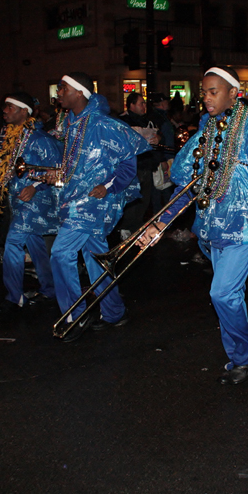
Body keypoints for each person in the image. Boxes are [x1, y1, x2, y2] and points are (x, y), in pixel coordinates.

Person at [138, 67, 248, 385]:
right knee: (230, 294)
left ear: (234, 93)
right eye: (203, 92)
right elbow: (190, 182)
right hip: (214, 223)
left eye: (213, 91)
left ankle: (243, 356)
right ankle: (241, 355)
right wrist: (160, 223)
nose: (205, 98)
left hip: (247, 221)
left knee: (221, 293)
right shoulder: (208, 130)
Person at [46, 72, 149, 342]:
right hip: (74, 199)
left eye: (63, 88)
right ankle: (114, 311)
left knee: (60, 253)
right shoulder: (71, 123)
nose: (58, 92)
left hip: (93, 203)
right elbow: (75, 165)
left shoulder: (103, 124)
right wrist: (57, 174)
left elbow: (128, 162)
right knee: (96, 258)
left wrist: (110, 186)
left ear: (79, 92)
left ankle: (75, 314)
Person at [0, 93, 62, 315]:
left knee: (12, 244)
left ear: (24, 111)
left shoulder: (41, 139)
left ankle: (14, 297)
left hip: (35, 201)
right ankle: (50, 289)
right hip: (17, 200)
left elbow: (58, 171)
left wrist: (35, 187)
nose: (5, 111)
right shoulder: (11, 136)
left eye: (10, 107)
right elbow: (8, 171)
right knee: (36, 245)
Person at [118, 92, 158, 240]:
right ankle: (125, 226)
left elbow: (159, 135)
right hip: (132, 166)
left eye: (144, 103)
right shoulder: (123, 120)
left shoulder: (147, 120)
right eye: (141, 103)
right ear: (131, 105)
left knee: (144, 198)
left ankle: (137, 224)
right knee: (131, 198)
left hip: (146, 163)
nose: (144, 106)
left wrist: (156, 138)